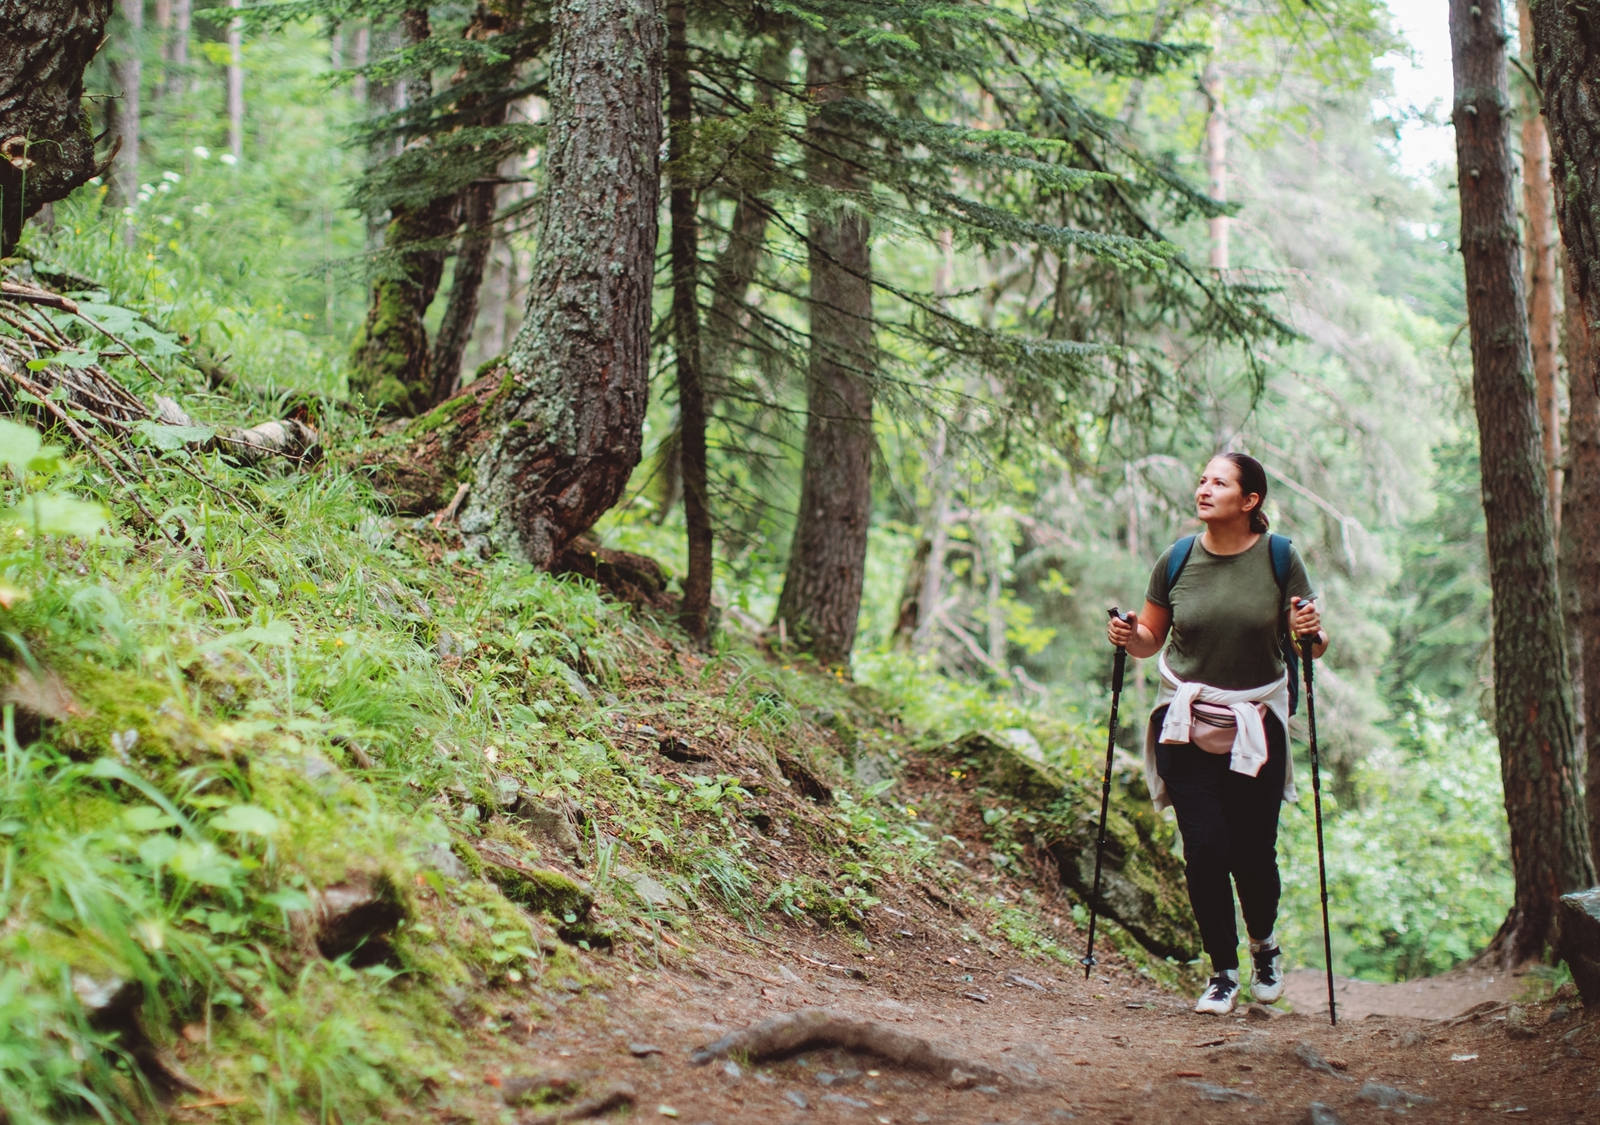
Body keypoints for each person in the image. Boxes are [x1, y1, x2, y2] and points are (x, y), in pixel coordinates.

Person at [1107, 452, 1327, 1015]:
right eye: (1202, 479)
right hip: (1184, 721)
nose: (1204, 488)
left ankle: (1264, 947)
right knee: (1204, 850)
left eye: (1219, 482)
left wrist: (1310, 632)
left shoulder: (1280, 558)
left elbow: (1309, 644)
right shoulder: (1177, 558)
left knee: (1254, 853)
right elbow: (1149, 640)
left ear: (1250, 501)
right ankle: (1223, 973)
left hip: (1257, 720)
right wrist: (1127, 632)